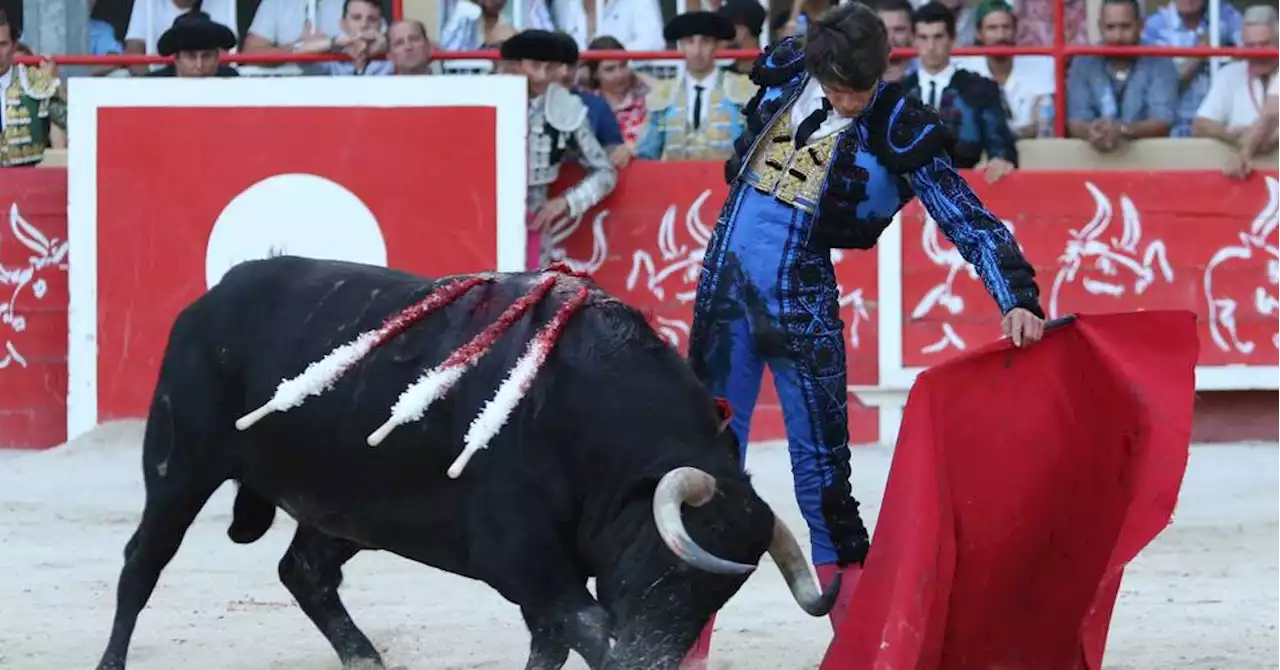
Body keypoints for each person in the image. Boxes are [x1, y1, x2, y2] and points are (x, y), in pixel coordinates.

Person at [684, 0, 1045, 658]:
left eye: (864, 87)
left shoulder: (897, 120)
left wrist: (1014, 293)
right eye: (842, 88)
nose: (853, 101)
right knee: (704, 466)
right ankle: (683, 645)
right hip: (725, 294)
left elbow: (964, 215)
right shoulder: (791, 68)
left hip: (802, 307)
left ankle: (860, 648)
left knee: (823, 481)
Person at [498, 30, 618, 268]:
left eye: (550, 67)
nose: (542, 75)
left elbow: (606, 173)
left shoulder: (566, 106)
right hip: (482, 215)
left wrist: (567, 201)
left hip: (533, 217)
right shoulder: (489, 95)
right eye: (534, 65)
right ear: (516, 65)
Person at [147, 10, 240, 78]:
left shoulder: (231, 79)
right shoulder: (154, 83)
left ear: (217, 58)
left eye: (206, 56)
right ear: (177, 60)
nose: (199, 65)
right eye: (191, 56)